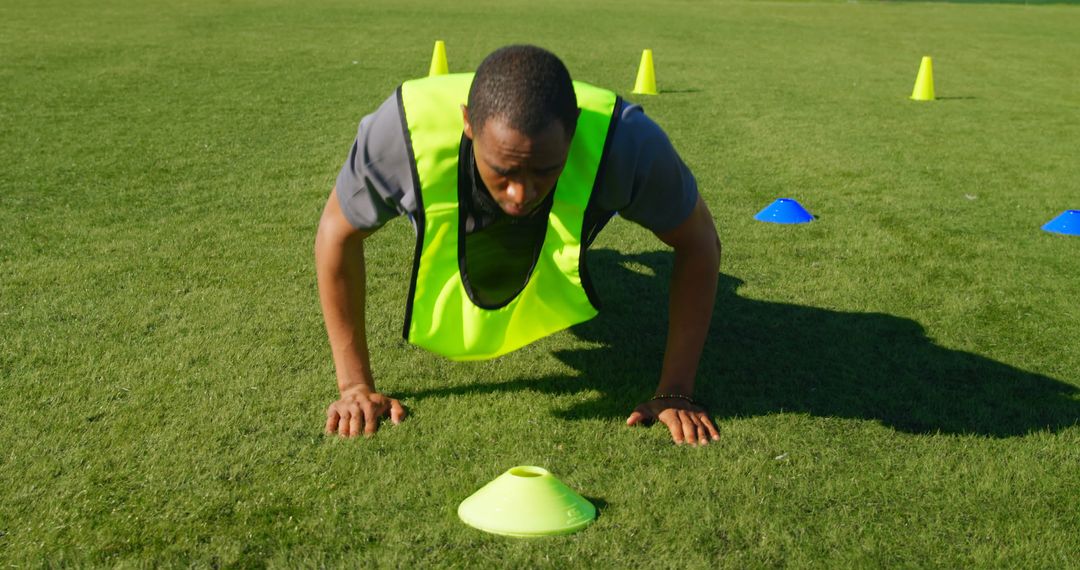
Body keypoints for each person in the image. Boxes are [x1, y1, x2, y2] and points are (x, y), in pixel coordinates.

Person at [315, 45, 722, 446]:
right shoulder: (398, 134)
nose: (520, 193)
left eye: (544, 170)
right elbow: (337, 231)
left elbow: (699, 241)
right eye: (503, 171)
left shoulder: (629, 141)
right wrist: (354, 385)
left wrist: (676, 390)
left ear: (575, 126)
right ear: (468, 124)